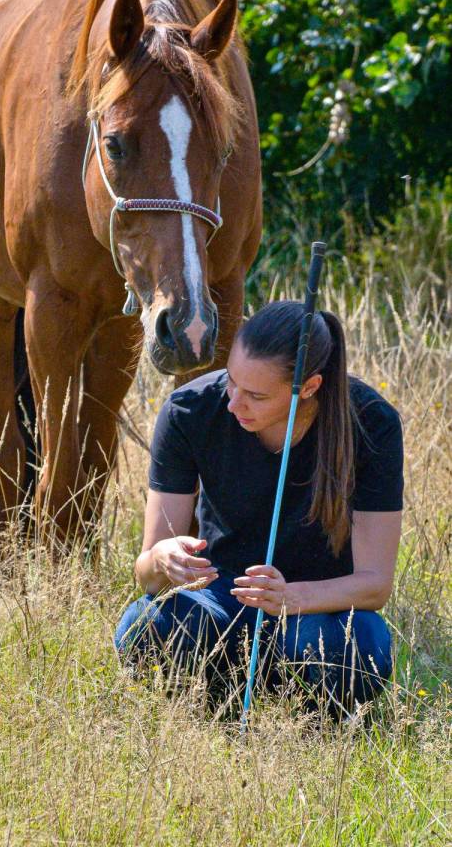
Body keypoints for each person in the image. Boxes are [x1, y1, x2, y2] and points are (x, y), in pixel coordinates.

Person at [113, 300, 404, 720]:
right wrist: (163, 559)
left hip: (316, 614)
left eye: (255, 395)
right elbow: (146, 572)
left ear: (309, 387)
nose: (233, 403)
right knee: (144, 629)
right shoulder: (189, 411)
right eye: (231, 381)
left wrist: (290, 597)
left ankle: (308, 716)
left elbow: (375, 585)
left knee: (360, 645)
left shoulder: (371, 422)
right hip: (218, 601)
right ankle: (216, 702)